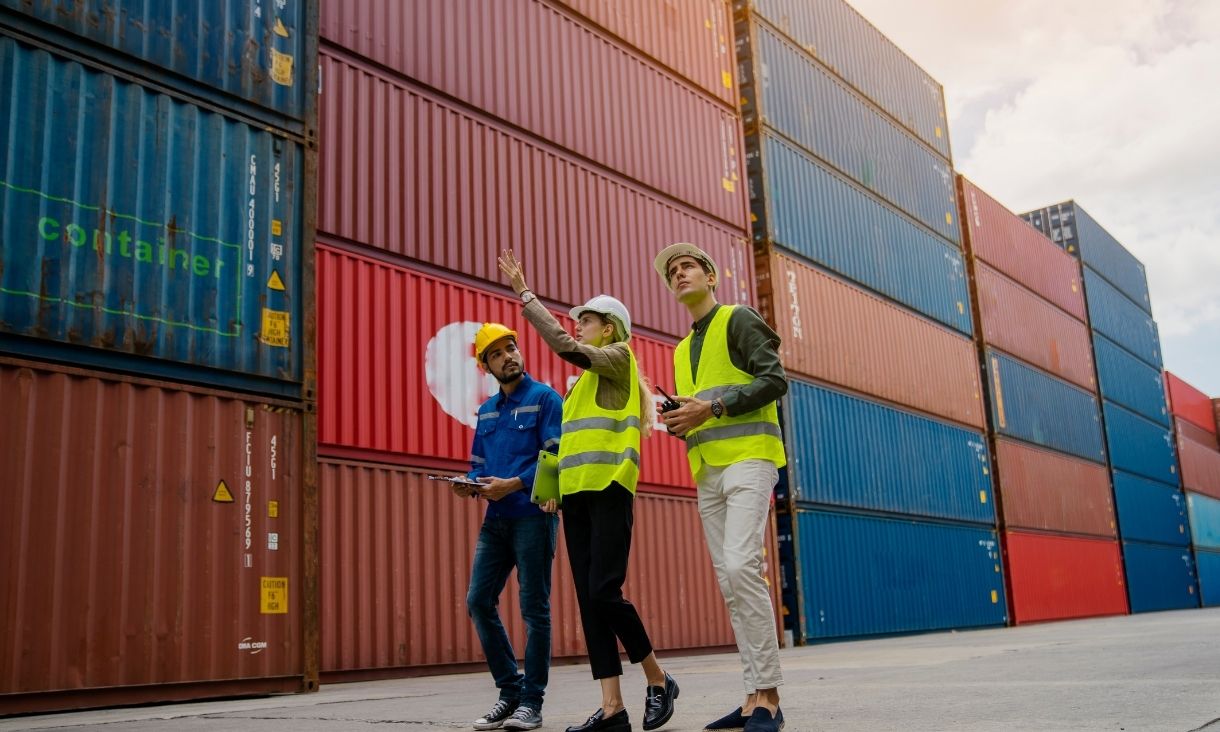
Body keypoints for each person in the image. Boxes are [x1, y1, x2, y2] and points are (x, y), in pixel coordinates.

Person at [498, 249, 679, 732]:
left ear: (611, 329)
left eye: (587, 320)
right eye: (579, 321)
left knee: (604, 591)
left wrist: (525, 294)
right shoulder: (579, 386)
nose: (578, 325)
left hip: (610, 490)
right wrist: (549, 486)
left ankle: (659, 680)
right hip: (575, 497)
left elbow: (566, 347)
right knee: (588, 599)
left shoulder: (618, 360)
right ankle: (613, 707)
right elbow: (565, 444)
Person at [652, 243, 789, 732]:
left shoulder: (739, 318)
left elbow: (775, 380)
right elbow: (699, 406)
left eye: (687, 266)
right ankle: (752, 695)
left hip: (750, 459)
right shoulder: (681, 349)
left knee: (740, 565)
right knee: (731, 584)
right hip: (708, 468)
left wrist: (709, 409)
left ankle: (770, 696)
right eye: (672, 272)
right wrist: (679, 418)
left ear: (711, 276)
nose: (679, 274)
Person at [462, 322, 564, 731]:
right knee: (478, 601)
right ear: (486, 365)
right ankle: (510, 692)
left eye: (512, 348)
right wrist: (469, 485)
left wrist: (514, 484)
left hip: (533, 518)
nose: (509, 356)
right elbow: (479, 464)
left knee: (533, 610)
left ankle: (532, 703)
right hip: (496, 521)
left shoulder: (545, 399)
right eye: (498, 353)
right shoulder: (486, 411)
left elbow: (554, 457)